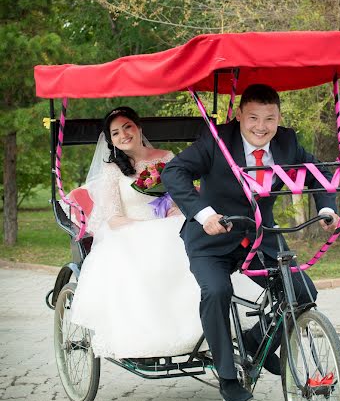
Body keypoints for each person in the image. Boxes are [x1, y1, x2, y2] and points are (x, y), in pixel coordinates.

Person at [162, 84, 340, 401]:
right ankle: (227, 376)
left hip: (260, 237)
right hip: (211, 237)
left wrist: (327, 208)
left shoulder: (287, 141)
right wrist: (204, 214)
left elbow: (319, 174)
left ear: (279, 118)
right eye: (253, 117)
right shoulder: (217, 140)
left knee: (302, 293)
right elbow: (174, 172)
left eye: (269, 119)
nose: (261, 127)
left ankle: (257, 341)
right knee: (217, 292)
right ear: (240, 114)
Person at [70, 106, 260, 360]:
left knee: (192, 249)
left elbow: (183, 195)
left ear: (138, 128)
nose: (124, 135)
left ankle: (204, 334)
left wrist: (175, 210)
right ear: (112, 141)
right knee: (157, 253)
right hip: (131, 232)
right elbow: (113, 218)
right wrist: (145, 226)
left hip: (172, 224)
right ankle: (152, 336)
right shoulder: (113, 170)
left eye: (128, 127)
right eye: (116, 133)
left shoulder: (166, 157)